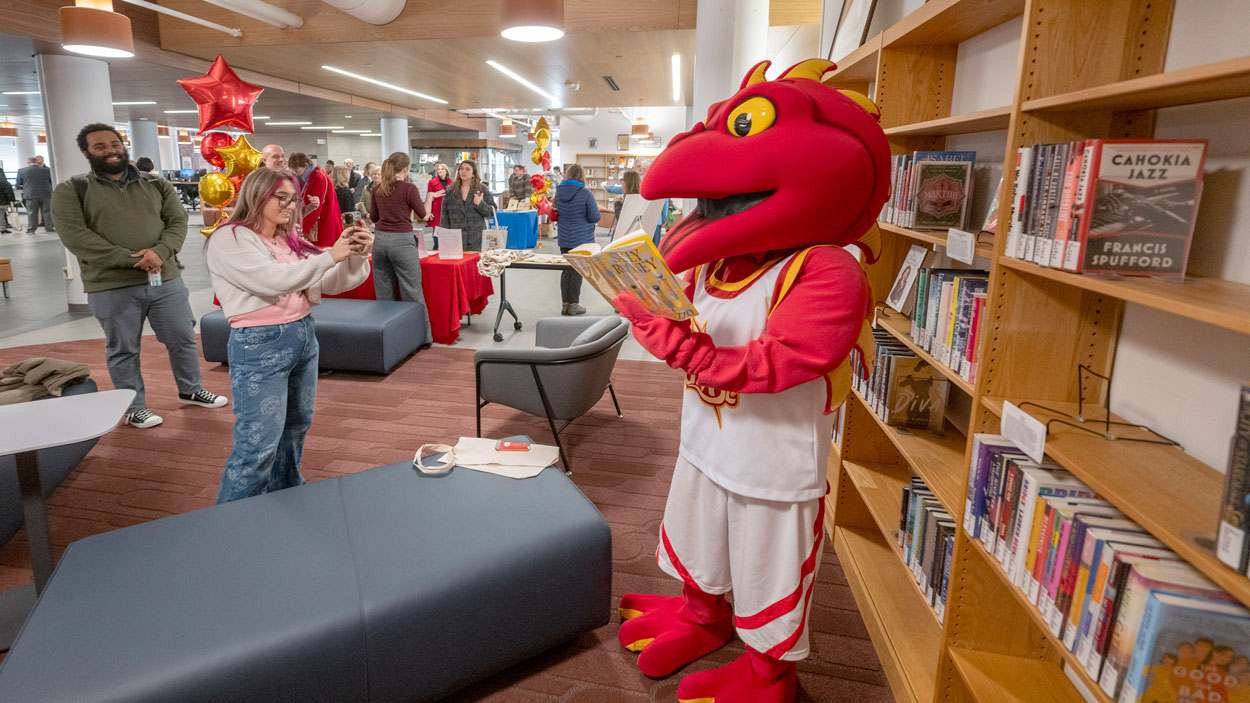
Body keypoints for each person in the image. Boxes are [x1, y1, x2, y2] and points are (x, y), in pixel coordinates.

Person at [205, 167, 372, 503]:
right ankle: (231, 524)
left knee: (294, 429)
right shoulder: (229, 237)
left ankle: (285, 496)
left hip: (302, 336)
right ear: (256, 195)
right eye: (280, 197)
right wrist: (331, 255)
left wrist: (356, 256)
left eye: (294, 199)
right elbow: (274, 281)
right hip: (259, 342)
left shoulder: (286, 241)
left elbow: (329, 282)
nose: (289, 205)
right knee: (257, 444)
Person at [50, 122, 229, 429]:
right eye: (100, 146)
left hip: (165, 278)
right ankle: (133, 406)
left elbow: (177, 221)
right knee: (123, 348)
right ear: (86, 153)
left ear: (124, 145)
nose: (110, 150)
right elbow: (77, 238)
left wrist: (160, 252)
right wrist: (134, 260)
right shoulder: (72, 190)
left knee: (182, 337)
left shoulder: (155, 184)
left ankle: (191, 389)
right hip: (111, 284)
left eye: (114, 144)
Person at [366, 152, 434, 340]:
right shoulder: (409, 188)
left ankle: (389, 339)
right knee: (412, 292)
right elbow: (423, 215)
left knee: (384, 294)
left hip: (379, 242)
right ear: (405, 169)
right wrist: (429, 199)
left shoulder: (377, 189)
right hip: (402, 242)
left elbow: (374, 218)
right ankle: (421, 338)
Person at [553, 163, 600, 316]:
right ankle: (574, 305)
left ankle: (565, 304)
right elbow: (595, 217)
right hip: (582, 239)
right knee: (577, 272)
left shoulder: (558, 193)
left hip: (564, 238)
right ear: (582, 176)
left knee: (566, 271)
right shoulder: (585, 193)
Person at [439, 159, 496, 252]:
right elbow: (444, 216)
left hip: (477, 239)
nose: (463, 171)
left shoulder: (482, 189)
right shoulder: (450, 191)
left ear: (473, 173)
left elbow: (492, 212)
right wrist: (444, 236)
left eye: (467, 169)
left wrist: (480, 204)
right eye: (461, 169)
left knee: (476, 265)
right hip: (456, 239)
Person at [287, 151, 341, 247]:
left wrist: (303, 229)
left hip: (323, 224)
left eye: (296, 169)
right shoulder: (310, 177)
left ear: (306, 165)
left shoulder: (317, 178)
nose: (295, 173)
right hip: (324, 220)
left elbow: (315, 207)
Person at [16, 155, 53, 233]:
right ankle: (49, 228)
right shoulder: (47, 170)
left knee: (31, 212)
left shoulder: (21, 171)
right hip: (46, 194)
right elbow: (51, 182)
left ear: (28, 163)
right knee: (47, 211)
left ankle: (31, 229)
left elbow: (18, 184)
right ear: (37, 162)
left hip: (30, 195)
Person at [0, 166, 14, 233]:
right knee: (1, 214)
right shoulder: (3, 180)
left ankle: (3, 228)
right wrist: (12, 199)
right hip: (2, 201)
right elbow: (8, 190)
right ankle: (2, 228)